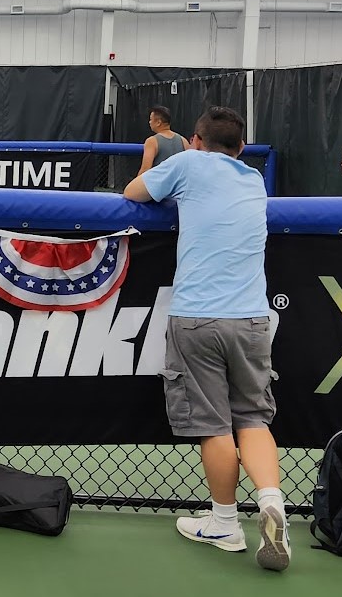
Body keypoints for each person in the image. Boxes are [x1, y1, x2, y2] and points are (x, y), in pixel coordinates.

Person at [122, 106, 289, 572]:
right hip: (254, 318)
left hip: (197, 316)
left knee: (215, 426)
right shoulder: (253, 179)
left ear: (195, 140)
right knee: (254, 419)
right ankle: (272, 502)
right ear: (241, 149)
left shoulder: (188, 162)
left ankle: (224, 522)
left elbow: (132, 192)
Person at [137, 105, 187, 175]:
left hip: (159, 183)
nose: (149, 122)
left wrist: (135, 184)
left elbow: (145, 169)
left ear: (158, 122)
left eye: (151, 119)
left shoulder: (152, 141)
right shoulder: (183, 140)